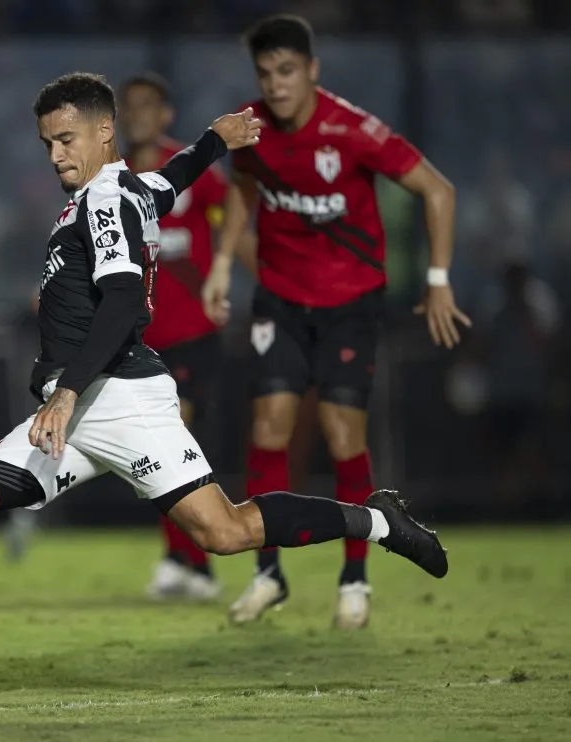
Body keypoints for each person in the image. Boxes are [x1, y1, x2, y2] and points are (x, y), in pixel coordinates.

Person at [0, 72, 447, 664]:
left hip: (118, 399)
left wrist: (67, 394)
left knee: (227, 531)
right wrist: (215, 141)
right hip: (77, 405)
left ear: (105, 133)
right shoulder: (124, 188)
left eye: (67, 139)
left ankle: (380, 520)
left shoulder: (104, 198)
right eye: (47, 143)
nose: (56, 155)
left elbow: (125, 298)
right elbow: (170, 180)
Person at [201, 14, 468, 628]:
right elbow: (242, 188)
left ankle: (355, 579)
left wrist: (436, 279)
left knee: (343, 437)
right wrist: (222, 265)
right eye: (266, 73)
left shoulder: (352, 130)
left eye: (287, 71)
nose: (276, 85)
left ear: (312, 71)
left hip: (349, 304)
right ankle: (268, 575)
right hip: (280, 300)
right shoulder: (251, 128)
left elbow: (439, 191)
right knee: (268, 430)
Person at [118, 72, 244, 601]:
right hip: (140, 337)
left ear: (166, 114)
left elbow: (235, 201)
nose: (140, 114)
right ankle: (185, 561)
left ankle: (190, 564)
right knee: (156, 451)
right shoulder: (113, 179)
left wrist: (222, 268)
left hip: (192, 331)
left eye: (150, 105)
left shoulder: (186, 169)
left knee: (178, 438)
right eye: (131, 106)